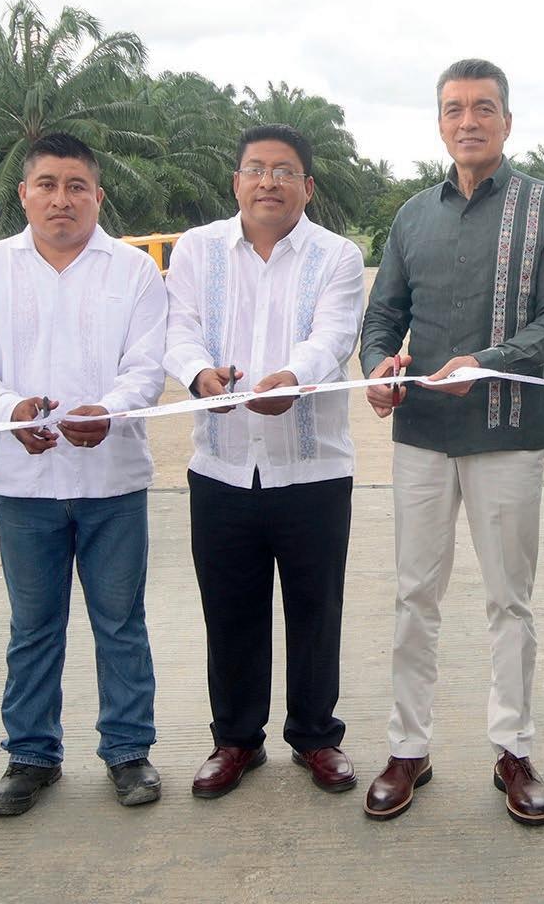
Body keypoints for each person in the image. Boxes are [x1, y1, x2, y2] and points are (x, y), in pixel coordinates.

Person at [358, 58, 544, 826]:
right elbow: (382, 317)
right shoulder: (412, 216)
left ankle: (513, 750)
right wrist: (377, 369)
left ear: (507, 121)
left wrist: (485, 363)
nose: (468, 121)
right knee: (414, 595)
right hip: (421, 434)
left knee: (508, 600)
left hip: (507, 433)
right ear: (440, 122)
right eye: (454, 108)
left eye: (484, 107)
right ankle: (408, 748)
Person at [0, 133, 168, 815]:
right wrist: (8, 410)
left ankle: (128, 751)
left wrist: (112, 409)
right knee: (33, 626)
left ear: (98, 195)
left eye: (76, 186)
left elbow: (147, 366)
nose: (61, 198)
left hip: (113, 483)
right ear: (24, 194)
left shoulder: (134, 270)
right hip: (25, 485)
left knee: (120, 622)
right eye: (47, 184)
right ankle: (31, 756)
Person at [163, 124, 366, 800]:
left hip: (312, 467)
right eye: (255, 169)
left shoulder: (337, 255)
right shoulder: (197, 249)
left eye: (283, 171)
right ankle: (236, 740)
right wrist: (199, 375)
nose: (268, 182)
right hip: (221, 466)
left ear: (307, 186)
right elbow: (179, 328)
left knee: (316, 609)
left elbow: (334, 335)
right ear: (236, 182)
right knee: (229, 611)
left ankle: (315, 736)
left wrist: (293, 378)